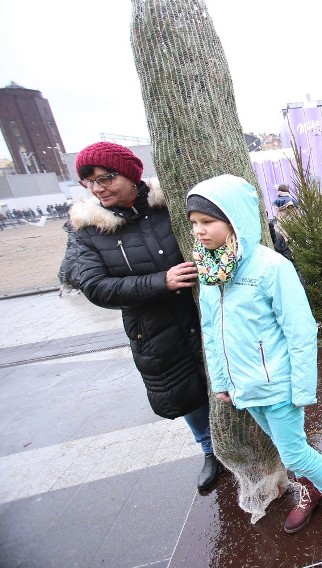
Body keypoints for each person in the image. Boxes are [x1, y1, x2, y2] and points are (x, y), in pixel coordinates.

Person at [186, 174, 322, 548]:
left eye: (207, 222)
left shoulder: (271, 267)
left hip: (278, 383)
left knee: (294, 450)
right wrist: (223, 383)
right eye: (194, 223)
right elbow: (212, 332)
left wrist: (302, 387)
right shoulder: (213, 271)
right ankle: (309, 491)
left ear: (234, 220)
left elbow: (301, 329)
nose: (198, 231)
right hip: (245, 387)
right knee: (284, 447)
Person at [69, 142, 219, 492]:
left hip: (204, 312)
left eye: (106, 177)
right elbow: (95, 286)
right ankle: (210, 451)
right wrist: (160, 282)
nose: (98, 188)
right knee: (184, 393)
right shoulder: (88, 230)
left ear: (132, 174)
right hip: (153, 329)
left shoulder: (170, 206)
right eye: (89, 182)